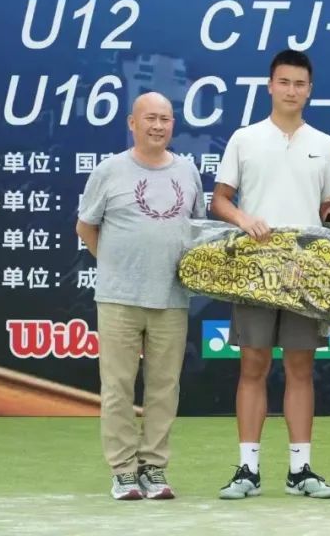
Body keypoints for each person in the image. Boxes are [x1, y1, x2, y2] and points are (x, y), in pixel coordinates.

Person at [212, 49, 330, 500]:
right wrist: (244, 219)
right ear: (270, 86)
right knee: (253, 365)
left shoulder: (325, 144)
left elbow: (329, 214)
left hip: (305, 273)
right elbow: (219, 200)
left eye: (299, 84)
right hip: (255, 270)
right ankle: (248, 471)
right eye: (284, 82)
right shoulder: (245, 139)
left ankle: (300, 471)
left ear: (309, 90)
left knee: (300, 368)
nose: (291, 91)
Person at [76, 92, 205, 501]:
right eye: (150, 118)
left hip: (172, 298)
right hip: (119, 299)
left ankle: (153, 467)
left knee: (164, 387)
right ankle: (123, 471)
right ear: (132, 123)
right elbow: (86, 227)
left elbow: (198, 231)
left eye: (165, 119)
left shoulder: (188, 171)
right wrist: (118, 265)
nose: (158, 126)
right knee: (117, 387)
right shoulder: (109, 170)